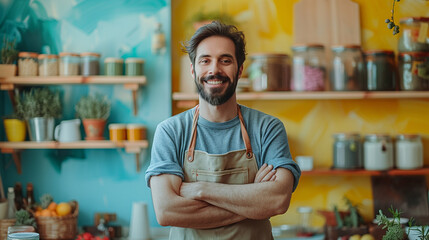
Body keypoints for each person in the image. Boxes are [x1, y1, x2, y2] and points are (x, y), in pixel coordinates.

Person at [145, 21, 301, 240]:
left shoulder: (268, 128)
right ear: (193, 70)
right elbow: (166, 211)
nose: (214, 70)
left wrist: (200, 190)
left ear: (239, 70)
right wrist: (252, 201)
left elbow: (277, 201)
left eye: (225, 60)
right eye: (205, 60)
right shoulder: (171, 131)